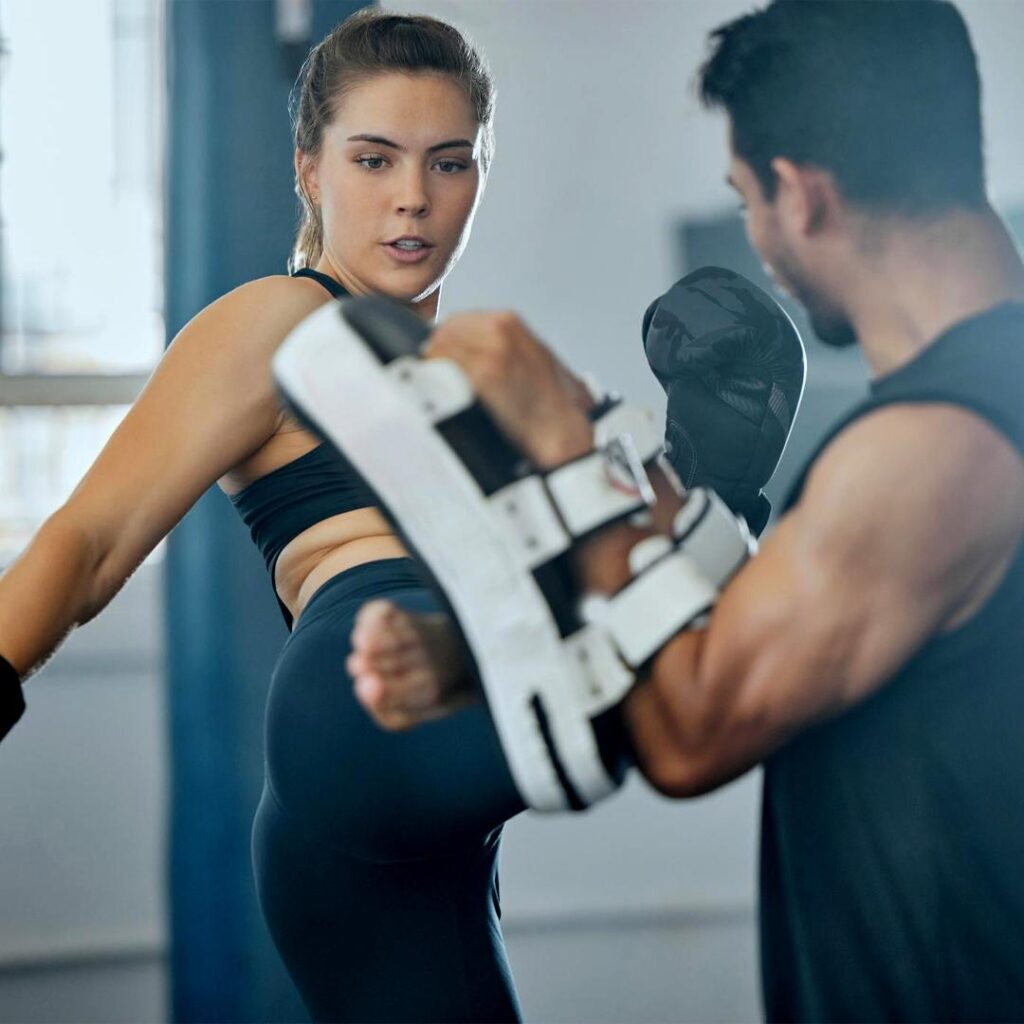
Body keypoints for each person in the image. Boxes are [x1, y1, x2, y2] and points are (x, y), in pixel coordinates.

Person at [342, 2, 1024, 1020]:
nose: (756, 235)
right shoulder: (976, 412)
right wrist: (481, 653)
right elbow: (764, 642)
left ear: (801, 196)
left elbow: (692, 730)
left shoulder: (933, 451)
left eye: (745, 198)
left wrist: (566, 444)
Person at [0, 11, 533, 1023]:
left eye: (449, 162)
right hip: (362, 699)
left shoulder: (476, 378)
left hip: (441, 801)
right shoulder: (285, 318)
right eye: (373, 159)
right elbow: (87, 540)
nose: (412, 197)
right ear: (309, 170)